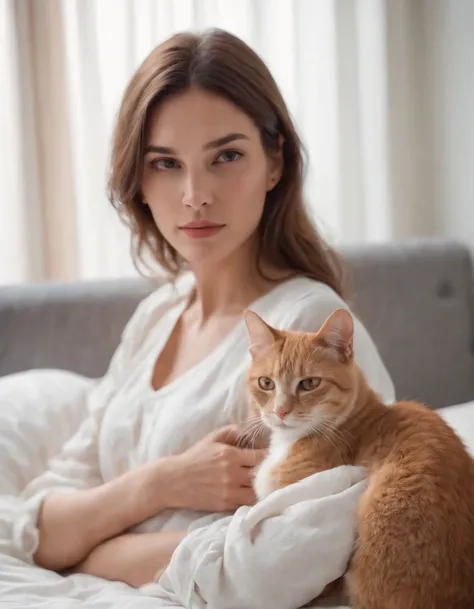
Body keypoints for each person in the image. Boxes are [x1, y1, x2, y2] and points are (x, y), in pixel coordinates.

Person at [24, 28, 394, 587]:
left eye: (226, 155)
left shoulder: (309, 332)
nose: (196, 193)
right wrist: (163, 482)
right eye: (166, 163)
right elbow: (40, 529)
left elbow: (294, 556)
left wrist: (91, 550)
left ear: (275, 162)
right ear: (138, 183)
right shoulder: (156, 317)